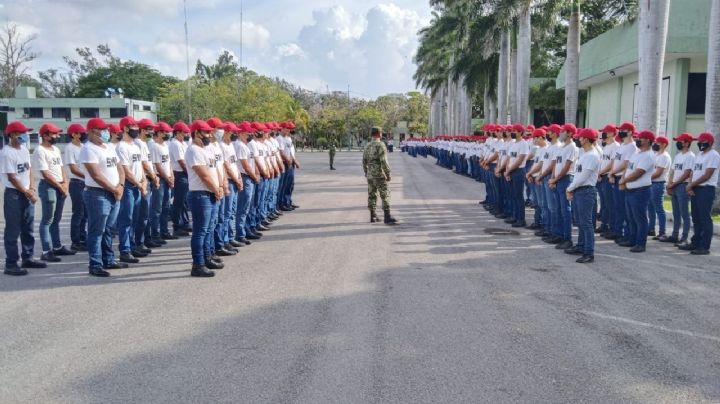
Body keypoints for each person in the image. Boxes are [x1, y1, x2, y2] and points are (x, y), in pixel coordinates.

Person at [79, 118, 127, 277]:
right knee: (96, 230)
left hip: (114, 192)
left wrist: (120, 186)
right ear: (93, 131)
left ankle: (109, 259)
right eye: (103, 129)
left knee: (109, 229)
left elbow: (120, 168)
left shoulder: (108, 147)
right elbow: (96, 175)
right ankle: (95, 263)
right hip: (97, 194)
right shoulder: (88, 149)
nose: (106, 132)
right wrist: (114, 188)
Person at [1, 121, 47, 275]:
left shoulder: (24, 150)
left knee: (28, 228)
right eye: (22, 133)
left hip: (27, 192)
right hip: (14, 194)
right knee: (13, 230)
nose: (25, 136)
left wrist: (32, 188)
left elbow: (29, 171)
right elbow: (12, 177)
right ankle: (11, 263)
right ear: (13, 134)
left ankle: (28, 257)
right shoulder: (6, 152)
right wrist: (27, 192)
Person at [185, 120, 224, 277]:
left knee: (208, 229)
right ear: (196, 133)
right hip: (200, 194)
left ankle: (207, 257)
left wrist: (219, 187)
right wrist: (216, 189)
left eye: (210, 132)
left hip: (211, 193)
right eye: (206, 132)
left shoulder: (206, 149)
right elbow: (204, 175)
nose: (209, 135)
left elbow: (215, 170)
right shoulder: (194, 150)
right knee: (200, 231)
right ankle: (198, 264)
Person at [565, 128, 601, 263]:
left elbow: (584, 176)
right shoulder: (584, 154)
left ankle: (589, 252)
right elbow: (577, 174)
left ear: (586, 139)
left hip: (586, 191)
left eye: (580, 138)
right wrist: (573, 188)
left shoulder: (592, 155)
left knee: (586, 223)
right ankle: (581, 246)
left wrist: (570, 188)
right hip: (579, 190)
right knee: (580, 222)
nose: (578, 140)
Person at [116, 117, 147, 263]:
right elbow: (126, 171)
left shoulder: (135, 146)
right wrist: (138, 184)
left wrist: (144, 180)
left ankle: (133, 246)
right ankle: (125, 250)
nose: (135, 128)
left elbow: (139, 165)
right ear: (125, 128)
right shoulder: (122, 147)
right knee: (126, 219)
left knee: (135, 218)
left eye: (136, 126)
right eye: (132, 126)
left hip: (138, 185)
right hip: (129, 186)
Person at [619, 130, 656, 253]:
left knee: (640, 218)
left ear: (648, 141)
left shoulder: (649, 155)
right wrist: (623, 180)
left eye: (641, 138)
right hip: (630, 190)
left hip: (640, 191)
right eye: (638, 138)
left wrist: (624, 181)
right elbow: (628, 168)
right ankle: (632, 239)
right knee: (631, 217)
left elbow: (638, 173)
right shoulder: (637, 153)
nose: (638, 140)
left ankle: (640, 243)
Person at [684, 132, 719, 255]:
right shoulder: (699, 155)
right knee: (696, 217)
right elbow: (693, 172)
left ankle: (704, 246)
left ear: (709, 143)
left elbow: (707, 175)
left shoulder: (714, 155)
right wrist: (690, 185)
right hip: (695, 188)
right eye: (699, 141)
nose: (700, 144)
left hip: (706, 189)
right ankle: (696, 242)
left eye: (702, 141)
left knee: (704, 218)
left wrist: (691, 185)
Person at [661, 133, 695, 245]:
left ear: (686, 143)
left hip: (683, 186)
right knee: (676, 213)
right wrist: (670, 183)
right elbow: (672, 171)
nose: (678, 143)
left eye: (680, 141)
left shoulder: (690, 156)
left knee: (684, 213)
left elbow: (687, 173)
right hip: (675, 186)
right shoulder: (678, 155)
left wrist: (673, 184)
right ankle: (674, 235)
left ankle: (684, 237)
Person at [549, 124, 579, 250]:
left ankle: (567, 238)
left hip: (566, 179)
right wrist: (553, 178)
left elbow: (567, 167)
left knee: (566, 210)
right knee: (559, 209)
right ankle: (559, 234)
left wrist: (555, 178)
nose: (560, 133)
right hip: (557, 180)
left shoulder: (572, 147)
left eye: (563, 131)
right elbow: (556, 163)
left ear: (570, 133)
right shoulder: (561, 147)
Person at [609, 122, 638, 243]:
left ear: (630, 132)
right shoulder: (621, 146)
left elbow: (626, 164)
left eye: (624, 129)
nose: (621, 131)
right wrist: (611, 173)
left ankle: (626, 233)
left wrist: (616, 175)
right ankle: (617, 230)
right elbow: (615, 161)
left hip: (622, 178)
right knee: (617, 206)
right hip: (616, 177)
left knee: (625, 208)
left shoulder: (632, 146)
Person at [135, 118, 160, 250]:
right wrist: (154, 176)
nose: (152, 131)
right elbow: (144, 164)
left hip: (148, 180)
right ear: (143, 130)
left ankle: (146, 239)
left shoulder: (144, 143)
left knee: (146, 213)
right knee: (142, 215)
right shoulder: (139, 144)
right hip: (144, 180)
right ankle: (139, 243)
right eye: (149, 129)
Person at [363, 126, 396, 225]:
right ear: (378, 133)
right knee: (385, 194)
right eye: (381, 132)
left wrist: (366, 172)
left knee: (372, 194)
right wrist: (388, 174)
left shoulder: (367, 145)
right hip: (379, 174)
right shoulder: (381, 145)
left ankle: (372, 216)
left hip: (370, 174)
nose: (382, 134)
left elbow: (364, 161)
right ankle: (387, 216)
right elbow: (384, 161)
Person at [233, 121, 260, 244]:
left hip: (248, 177)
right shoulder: (240, 146)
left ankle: (246, 229)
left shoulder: (244, 145)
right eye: (248, 133)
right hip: (245, 177)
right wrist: (254, 176)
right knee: (243, 207)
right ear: (241, 133)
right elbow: (246, 165)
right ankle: (240, 233)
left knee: (247, 206)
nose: (250, 135)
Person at [219, 122, 244, 250]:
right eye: (234, 132)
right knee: (227, 213)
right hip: (229, 181)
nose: (236, 134)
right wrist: (235, 179)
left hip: (235, 180)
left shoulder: (231, 146)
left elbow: (235, 165)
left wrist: (239, 178)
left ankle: (230, 237)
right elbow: (226, 166)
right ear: (227, 132)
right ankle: (225, 240)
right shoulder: (222, 146)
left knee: (232, 211)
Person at [149, 121, 175, 243]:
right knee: (157, 208)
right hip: (160, 178)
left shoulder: (165, 145)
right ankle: (155, 233)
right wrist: (167, 177)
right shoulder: (154, 146)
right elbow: (157, 165)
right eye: (165, 132)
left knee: (166, 206)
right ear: (159, 133)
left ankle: (164, 231)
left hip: (167, 178)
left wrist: (171, 176)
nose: (167, 134)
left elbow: (168, 162)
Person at [64, 123, 88, 251]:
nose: (83, 135)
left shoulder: (84, 147)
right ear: (73, 134)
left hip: (86, 182)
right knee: (78, 212)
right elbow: (73, 168)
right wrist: (88, 176)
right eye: (80, 133)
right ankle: (75, 240)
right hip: (77, 183)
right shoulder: (70, 148)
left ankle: (83, 237)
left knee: (85, 213)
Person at [504, 124, 529, 227]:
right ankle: (514, 216)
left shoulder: (523, 144)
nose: (512, 132)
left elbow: (520, 160)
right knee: (513, 195)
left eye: (515, 131)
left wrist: (509, 170)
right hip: (511, 171)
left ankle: (521, 219)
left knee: (518, 196)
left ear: (520, 132)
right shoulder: (514, 144)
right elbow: (509, 158)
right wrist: (507, 171)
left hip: (518, 171)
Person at [169, 121, 191, 236]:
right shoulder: (175, 144)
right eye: (184, 133)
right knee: (178, 201)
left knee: (183, 201)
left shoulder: (183, 143)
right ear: (177, 133)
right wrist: (190, 173)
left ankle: (184, 223)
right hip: (179, 173)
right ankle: (177, 226)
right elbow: (182, 162)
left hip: (184, 173)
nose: (186, 135)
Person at [596, 125, 619, 236]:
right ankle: (604, 225)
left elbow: (612, 163)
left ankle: (612, 226)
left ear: (611, 133)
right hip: (602, 176)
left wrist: (600, 172)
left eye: (605, 132)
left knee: (611, 204)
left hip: (608, 176)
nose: (603, 134)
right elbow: (602, 161)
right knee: (604, 203)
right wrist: (599, 173)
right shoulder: (606, 146)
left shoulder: (615, 146)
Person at [648, 136, 671, 239]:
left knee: (659, 209)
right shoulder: (656, 155)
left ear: (664, 144)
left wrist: (646, 178)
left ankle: (662, 232)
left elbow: (658, 172)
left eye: (658, 143)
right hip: (651, 183)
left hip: (658, 183)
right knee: (650, 208)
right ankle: (651, 229)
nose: (655, 144)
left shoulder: (664, 156)